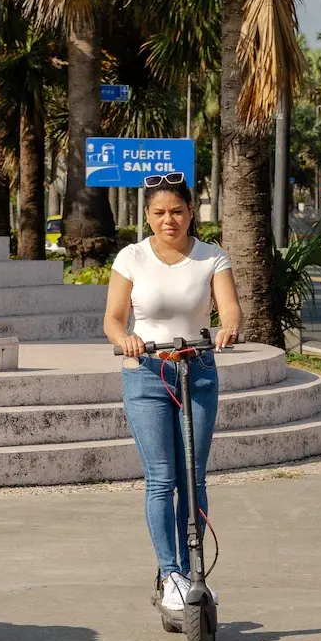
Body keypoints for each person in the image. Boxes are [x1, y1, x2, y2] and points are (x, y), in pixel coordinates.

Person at [103, 173, 241, 612]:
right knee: (162, 478)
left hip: (197, 370)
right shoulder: (131, 257)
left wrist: (228, 328)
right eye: (160, 212)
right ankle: (170, 574)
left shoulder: (211, 257)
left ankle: (194, 570)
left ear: (190, 213)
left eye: (177, 211)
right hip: (146, 372)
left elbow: (230, 309)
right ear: (147, 215)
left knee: (192, 478)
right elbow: (113, 318)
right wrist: (125, 338)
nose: (170, 220)